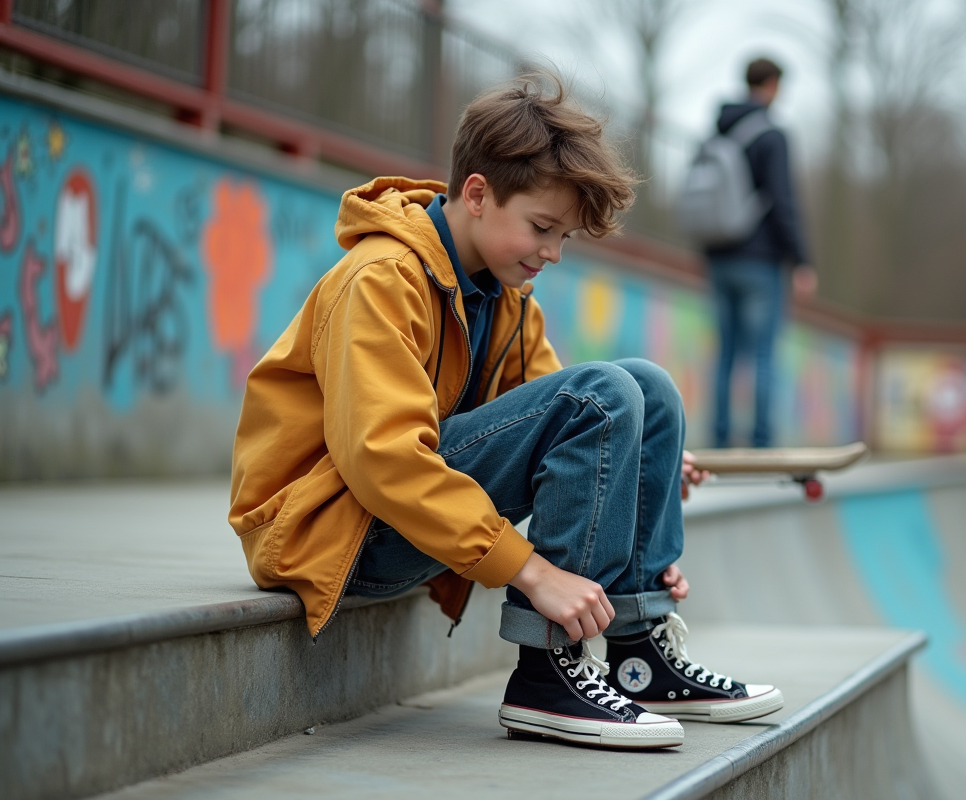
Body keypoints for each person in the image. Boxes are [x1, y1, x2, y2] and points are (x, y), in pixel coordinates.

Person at [228, 72, 783, 752]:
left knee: (647, 391)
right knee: (605, 395)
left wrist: (643, 471)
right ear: (477, 194)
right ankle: (546, 674)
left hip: (399, 516)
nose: (552, 253)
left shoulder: (505, 294)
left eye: (564, 237)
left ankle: (638, 650)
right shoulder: (381, 279)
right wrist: (531, 571)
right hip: (331, 528)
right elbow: (382, 458)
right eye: (542, 228)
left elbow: (571, 429)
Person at [706, 57, 817, 449]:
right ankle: (761, 442)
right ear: (772, 85)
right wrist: (801, 260)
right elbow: (783, 202)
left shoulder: (719, 131)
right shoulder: (772, 135)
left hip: (719, 257)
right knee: (764, 355)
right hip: (761, 262)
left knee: (726, 354)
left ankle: (720, 439)